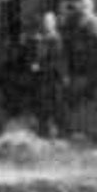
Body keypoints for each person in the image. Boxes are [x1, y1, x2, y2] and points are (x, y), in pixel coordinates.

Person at [24, 10, 72, 138]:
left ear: (54, 23)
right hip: (43, 75)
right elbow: (34, 56)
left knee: (58, 103)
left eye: (51, 22)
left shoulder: (58, 38)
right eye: (46, 22)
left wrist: (65, 74)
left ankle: (62, 130)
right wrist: (33, 64)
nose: (49, 24)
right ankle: (43, 130)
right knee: (43, 103)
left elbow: (63, 58)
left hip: (55, 75)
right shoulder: (39, 38)